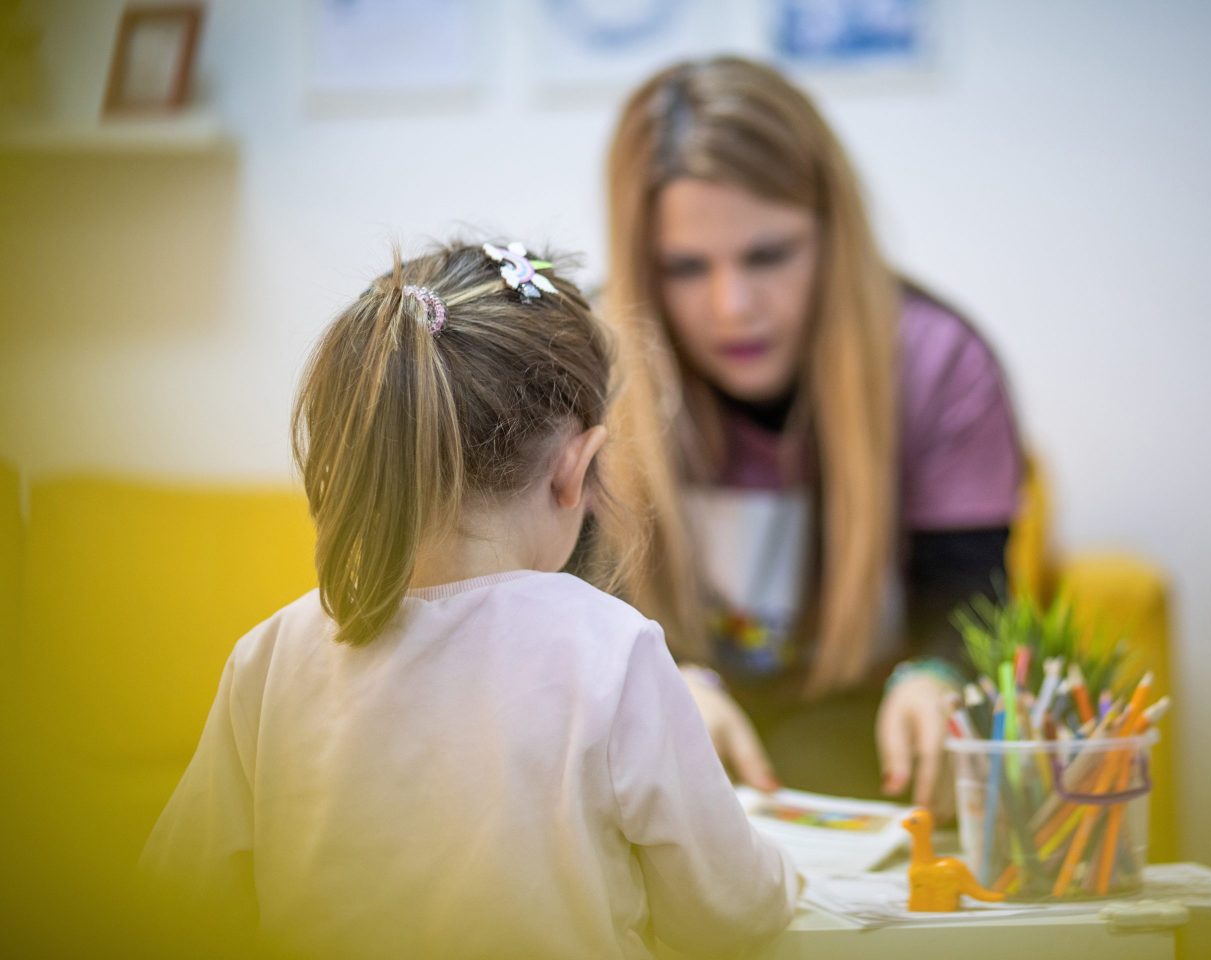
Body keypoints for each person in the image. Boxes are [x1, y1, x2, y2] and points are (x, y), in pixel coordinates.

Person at [140, 240, 798, 960]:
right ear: (574, 470)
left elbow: (177, 904)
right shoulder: (612, 649)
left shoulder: (268, 658)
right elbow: (729, 915)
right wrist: (784, 877)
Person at [594, 57, 1024, 810]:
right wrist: (667, 688)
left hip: (861, 734)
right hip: (658, 731)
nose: (733, 307)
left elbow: (969, 593)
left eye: (769, 255)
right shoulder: (593, 364)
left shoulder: (937, 361)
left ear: (833, 233)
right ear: (642, 267)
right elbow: (564, 601)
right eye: (686, 267)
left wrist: (936, 677)